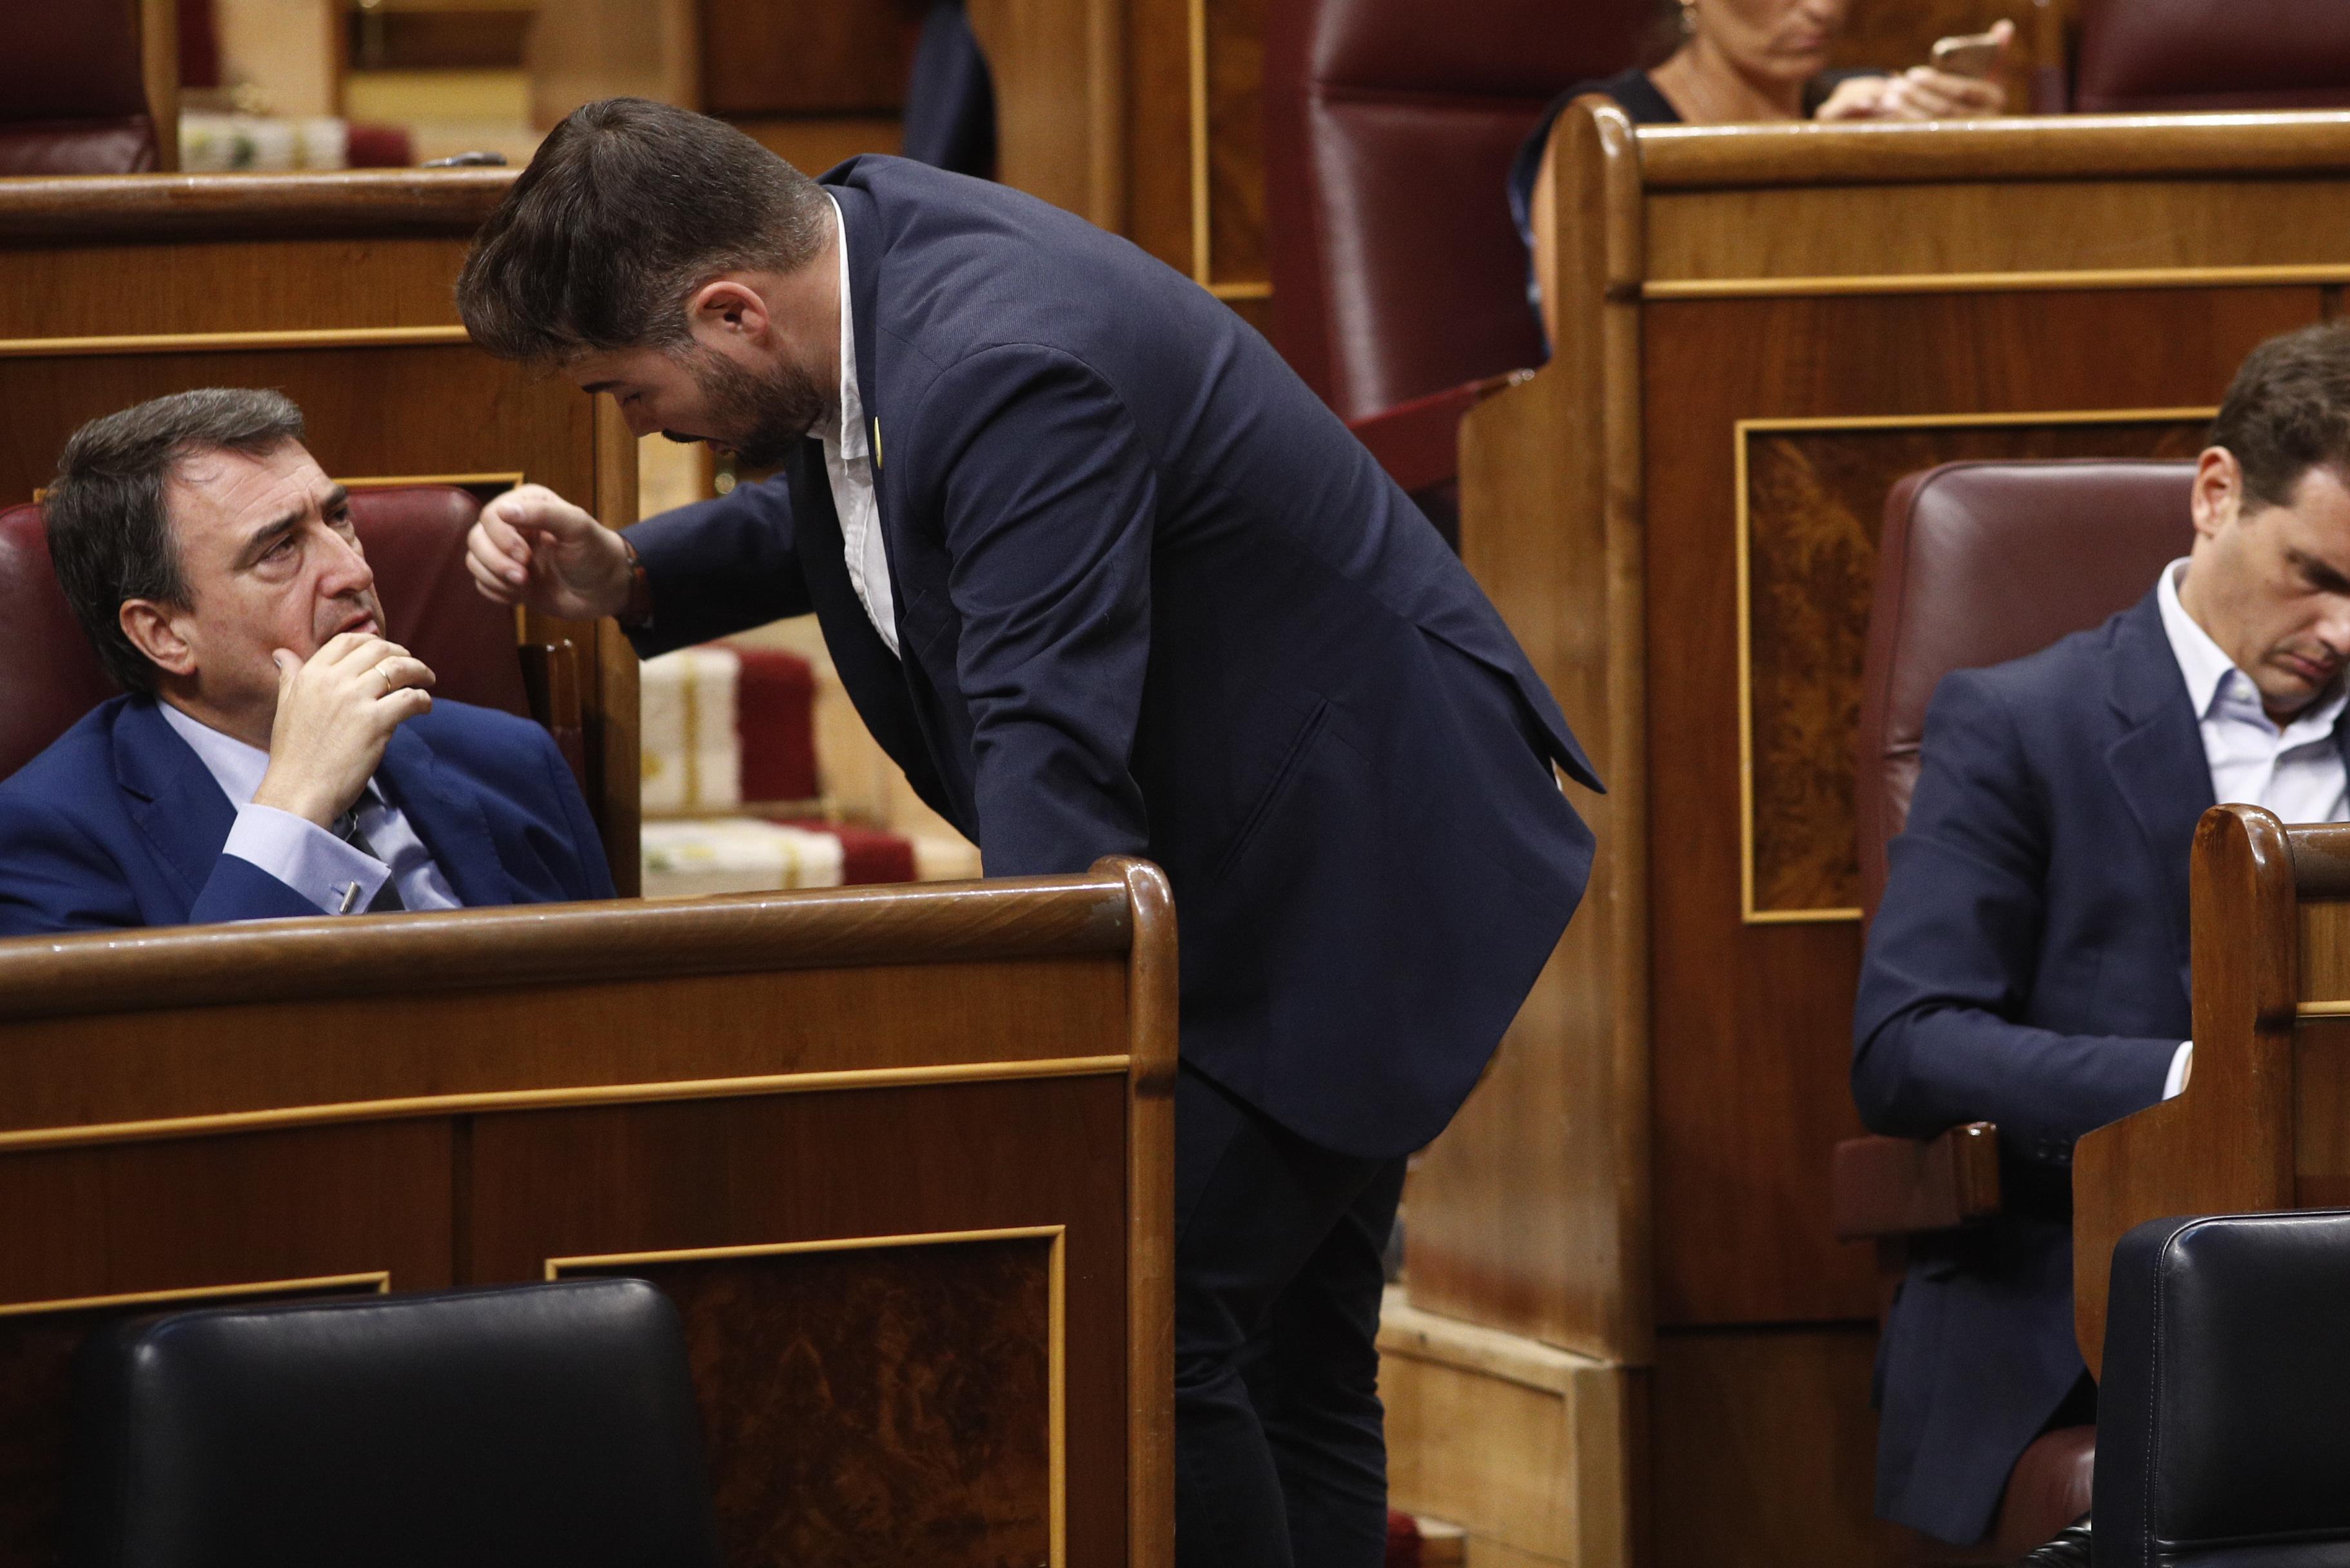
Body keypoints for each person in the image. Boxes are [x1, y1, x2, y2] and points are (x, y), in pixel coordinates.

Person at [450, 99, 1598, 1568]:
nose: (647, 429)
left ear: (730, 306)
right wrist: (633, 577)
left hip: (1350, 871)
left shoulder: (1006, 359)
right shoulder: (853, 242)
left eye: (626, 390)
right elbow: (872, 491)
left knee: (1151, 1331)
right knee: (1272, 1354)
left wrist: (1035, 1065)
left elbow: (1047, 753)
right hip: (1287, 837)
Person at [1850, 320, 2350, 1548]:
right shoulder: (2020, 722)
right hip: (2110, 1286)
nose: (2345, 634)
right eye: (2316, 576)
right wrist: (2198, 1086)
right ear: (2216, 494)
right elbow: (1908, 1045)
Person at [0, 389, 615, 937]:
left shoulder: (512, 761)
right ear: (163, 635)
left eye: (339, 518)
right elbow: (180, 1060)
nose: (356, 571)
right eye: (279, 548)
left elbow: (616, 1015)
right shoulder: (50, 840)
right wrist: (297, 808)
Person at [1513, 0, 2013, 338]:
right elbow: (1592, 366)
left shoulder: (1872, 106)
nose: (1822, 9)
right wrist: (1812, 167)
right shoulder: (1607, 135)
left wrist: (1977, 168)